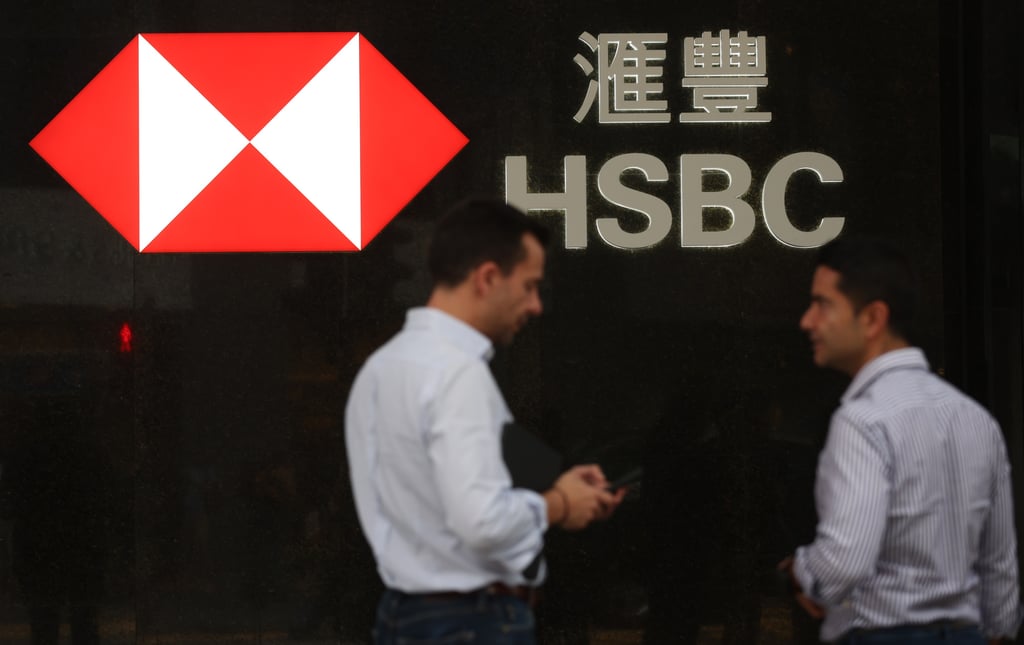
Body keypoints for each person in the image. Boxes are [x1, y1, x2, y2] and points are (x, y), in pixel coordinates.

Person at [345, 197, 625, 644]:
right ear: (488, 278)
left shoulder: (382, 366)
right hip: (472, 620)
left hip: (403, 612)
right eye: (529, 286)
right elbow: (482, 522)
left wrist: (557, 486)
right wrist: (560, 504)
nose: (535, 306)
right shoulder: (458, 372)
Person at [780, 236, 1022, 644]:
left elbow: (845, 563)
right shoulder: (976, 418)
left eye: (822, 304)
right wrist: (998, 630)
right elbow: (999, 564)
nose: (807, 321)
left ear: (873, 318)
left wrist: (798, 572)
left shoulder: (862, 420)